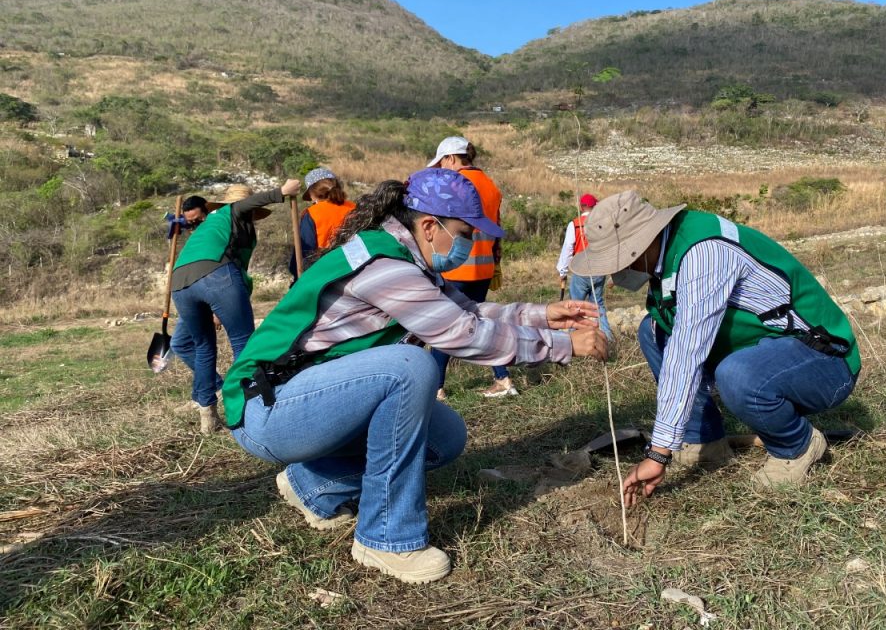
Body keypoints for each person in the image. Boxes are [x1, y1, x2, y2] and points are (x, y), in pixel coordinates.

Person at [222, 168, 607, 584]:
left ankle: (315, 483)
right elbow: (462, 333)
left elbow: (469, 312)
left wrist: (546, 315)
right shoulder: (387, 266)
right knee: (410, 367)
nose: (470, 243)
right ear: (429, 226)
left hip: (308, 400)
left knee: (445, 439)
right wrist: (564, 346)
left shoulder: (407, 259)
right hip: (269, 410)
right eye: (465, 232)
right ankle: (385, 538)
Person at [569, 191, 861, 504]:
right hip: (768, 349)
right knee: (652, 330)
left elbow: (686, 353)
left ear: (643, 242)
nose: (615, 273)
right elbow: (676, 337)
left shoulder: (703, 253)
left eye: (619, 258)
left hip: (824, 360)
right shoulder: (667, 254)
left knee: (736, 375)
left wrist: (658, 453)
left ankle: (797, 445)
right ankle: (702, 439)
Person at [170, 180, 301, 434]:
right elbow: (229, 273)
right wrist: (282, 192)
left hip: (180, 282)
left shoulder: (209, 226)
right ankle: (248, 410)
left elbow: (238, 273)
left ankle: (207, 415)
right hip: (216, 276)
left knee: (204, 347)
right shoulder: (232, 211)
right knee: (244, 343)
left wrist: (223, 306)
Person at [425, 136, 513, 399]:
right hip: (483, 268)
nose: (440, 170)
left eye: (441, 163)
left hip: (455, 267)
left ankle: (436, 388)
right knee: (478, 323)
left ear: (451, 158)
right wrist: (495, 264)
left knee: (446, 328)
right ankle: (503, 379)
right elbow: (495, 229)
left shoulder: (454, 183)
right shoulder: (490, 185)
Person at [556, 193, 612, 341]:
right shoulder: (602, 223)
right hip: (599, 269)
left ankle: (571, 339)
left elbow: (568, 248)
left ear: (581, 207)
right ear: (594, 206)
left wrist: (562, 271)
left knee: (575, 306)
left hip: (581, 270)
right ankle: (607, 338)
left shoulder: (575, 224)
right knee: (597, 304)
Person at [288, 167, 356, 280]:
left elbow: (304, 253)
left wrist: (295, 274)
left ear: (312, 193)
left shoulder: (312, 213)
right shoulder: (355, 207)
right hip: (355, 268)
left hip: (325, 273)